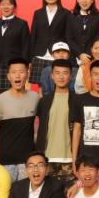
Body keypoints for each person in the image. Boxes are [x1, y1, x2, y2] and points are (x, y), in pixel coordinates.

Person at [0, 58, 40, 182]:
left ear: (27, 74)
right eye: (14, 72)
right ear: (8, 76)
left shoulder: (35, 98)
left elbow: (40, 127)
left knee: (25, 193)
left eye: (21, 72)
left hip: (27, 162)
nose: (17, 75)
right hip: (5, 162)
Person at [34, 59, 75, 187]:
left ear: (71, 76)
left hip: (70, 160)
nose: (61, 77)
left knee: (70, 197)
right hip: (47, 159)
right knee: (48, 197)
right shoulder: (44, 101)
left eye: (65, 73)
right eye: (57, 73)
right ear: (52, 76)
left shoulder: (77, 100)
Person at [28, 0, 70, 87]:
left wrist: (65, 55)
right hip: (40, 54)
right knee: (40, 87)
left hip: (56, 55)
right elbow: (33, 36)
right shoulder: (38, 13)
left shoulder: (66, 13)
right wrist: (30, 58)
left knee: (56, 86)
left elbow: (68, 36)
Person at [64, 0, 99, 77]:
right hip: (73, 59)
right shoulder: (71, 16)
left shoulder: (98, 17)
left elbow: (98, 38)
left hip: (91, 58)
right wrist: (80, 54)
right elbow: (69, 38)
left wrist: (88, 55)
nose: (84, 1)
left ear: (92, 0)